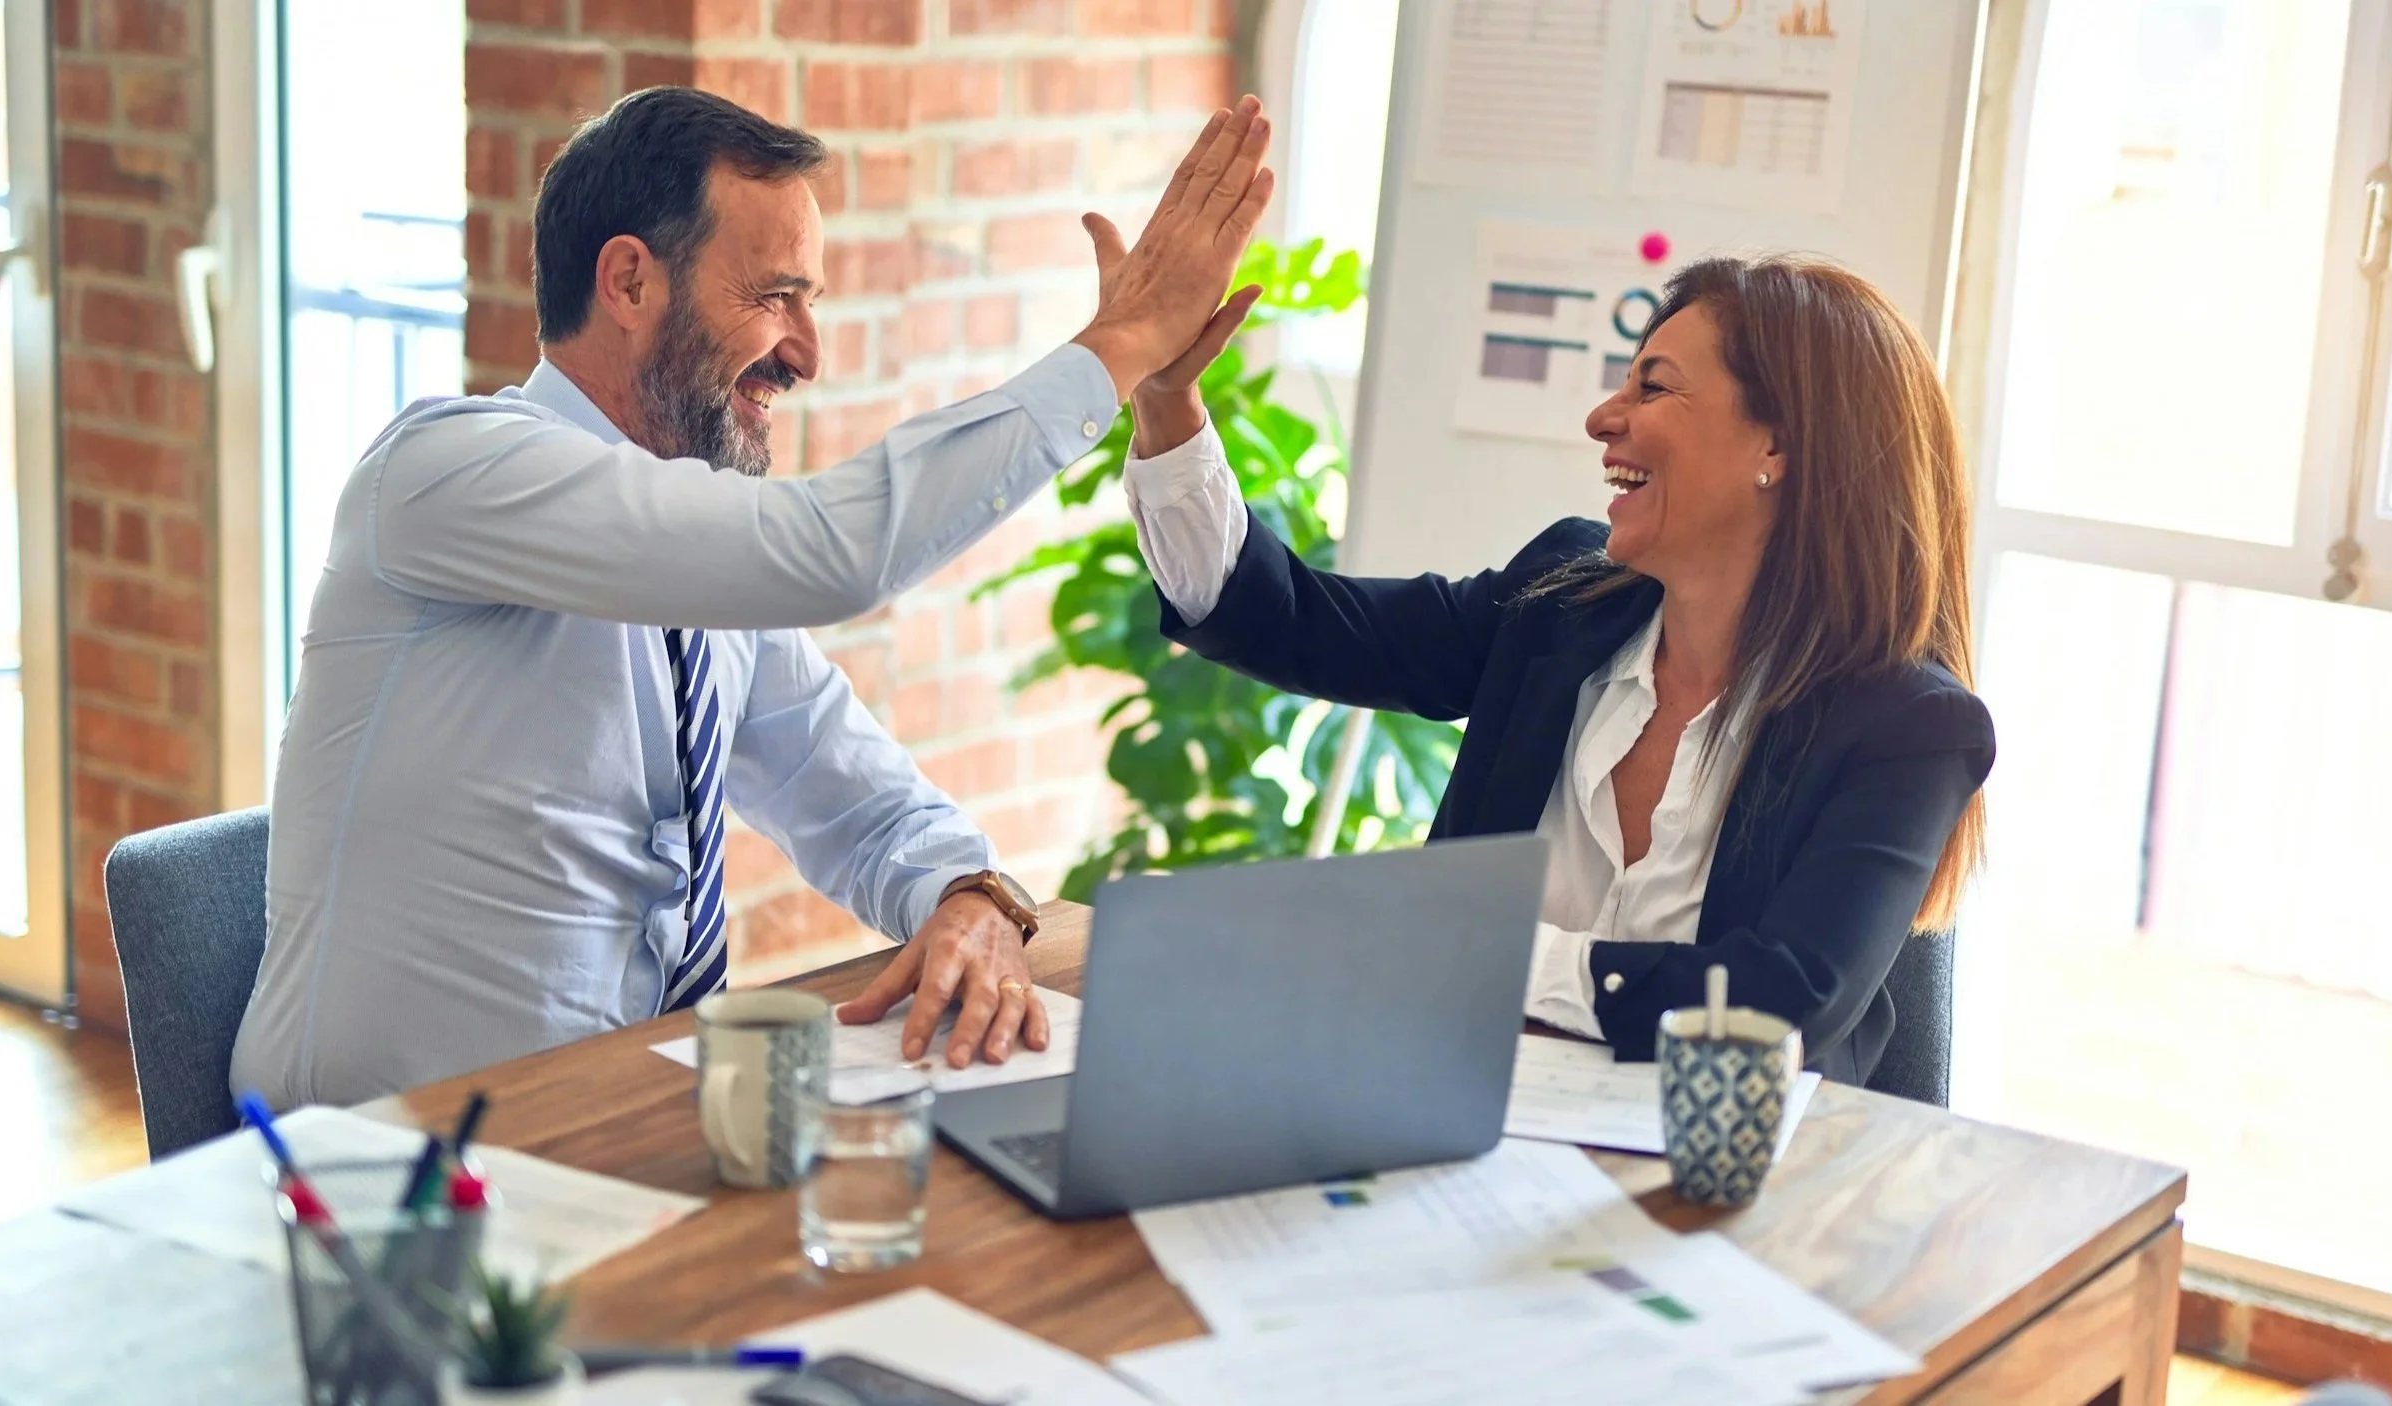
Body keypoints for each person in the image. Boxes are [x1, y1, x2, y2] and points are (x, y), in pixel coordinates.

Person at [231, 86, 1276, 1108]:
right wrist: (1122, 345)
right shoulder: (447, 471)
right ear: (631, 283)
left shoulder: (697, 570)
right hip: (378, 1173)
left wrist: (971, 896)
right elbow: (833, 552)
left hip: (615, 1130)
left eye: (809, 302)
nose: (806, 353)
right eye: (776, 295)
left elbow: (859, 800)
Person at [1122, 254, 1993, 1084]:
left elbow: (1777, 1008)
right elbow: (1290, 620)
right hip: (1460, 1126)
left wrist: (1482, 952)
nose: (1603, 418)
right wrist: (1167, 400)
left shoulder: (1908, 727)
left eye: (1652, 386)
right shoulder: (1560, 606)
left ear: (1778, 446)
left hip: (1731, 1193)